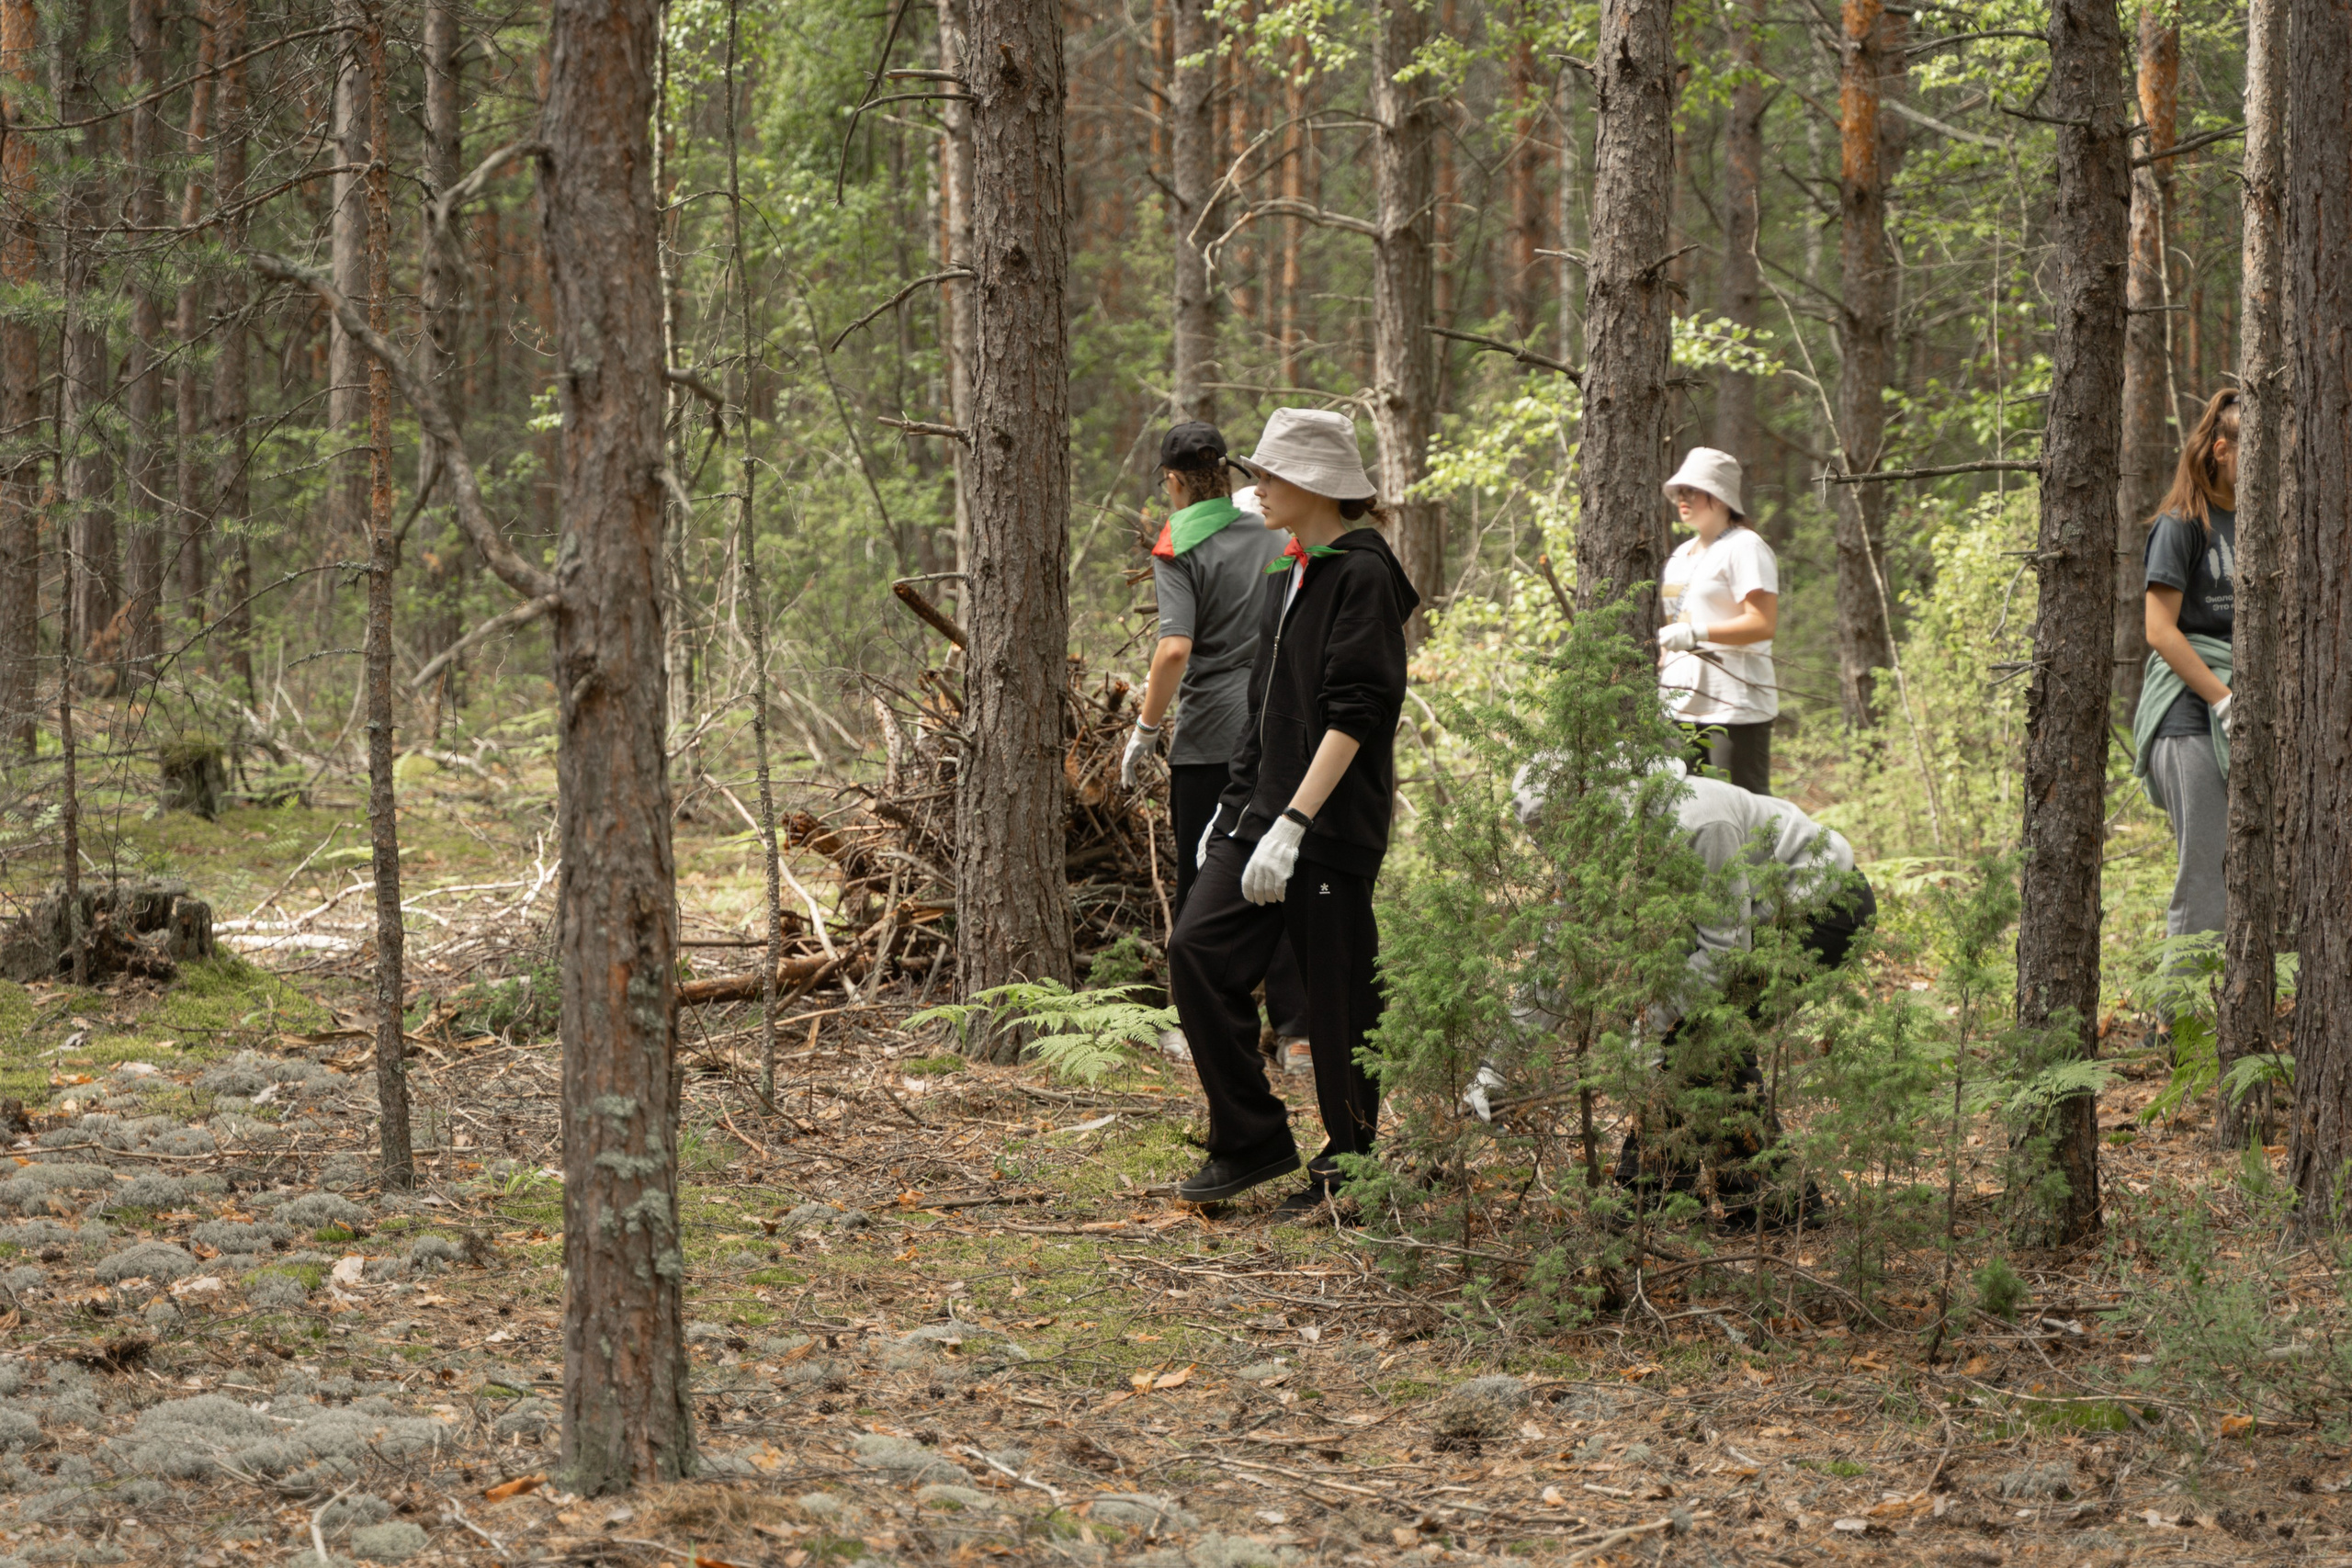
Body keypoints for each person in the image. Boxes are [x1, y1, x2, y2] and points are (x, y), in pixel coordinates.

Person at [1165, 408, 1419, 1218]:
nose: (1255, 488)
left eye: (1268, 476)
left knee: (1337, 997)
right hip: (1258, 817)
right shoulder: (1288, 566)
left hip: (1327, 828)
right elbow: (1262, 706)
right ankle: (1250, 1138)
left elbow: (1356, 713)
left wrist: (1299, 822)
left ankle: (1351, 1168)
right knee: (1196, 950)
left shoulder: (1363, 574)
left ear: (1312, 484)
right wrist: (1234, 812)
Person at [1476, 758, 1874, 1229]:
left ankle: (1744, 1204)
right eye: (1539, 831)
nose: (1552, 842)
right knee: (1692, 1037)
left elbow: (1725, 947)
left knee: (1700, 1036)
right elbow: (1560, 961)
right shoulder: (1592, 846)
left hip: (1823, 906)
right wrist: (1493, 1067)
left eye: (1556, 826)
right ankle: (1689, 1198)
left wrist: (1649, 1030)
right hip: (1750, 924)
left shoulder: (1698, 821)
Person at [1121, 422, 1314, 1074]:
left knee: (1205, 879)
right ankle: (1297, 1033)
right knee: (1281, 867)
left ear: (1174, 481)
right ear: (1227, 473)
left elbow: (1174, 648)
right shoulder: (1273, 527)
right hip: (1281, 723)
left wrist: (1145, 730)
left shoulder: (1178, 543)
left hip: (1209, 737)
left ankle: (1211, 1027)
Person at [2130, 389, 2239, 956]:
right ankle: (2178, 1030)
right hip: (2189, 718)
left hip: (2232, 712)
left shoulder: (2252, 521)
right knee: (2204, 881)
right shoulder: (2180, 525)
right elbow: (2160, 630)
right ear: (2221, 449)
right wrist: (2224, 701)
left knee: (2236, 876)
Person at [1656, 449, 1780, 795]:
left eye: (1693, 490)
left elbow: (1762, 623)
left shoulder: (1745, 547)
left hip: (1735, 709)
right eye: (1680, 491)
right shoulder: (1680, 555)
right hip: (1679, 707)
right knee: (1678, 815)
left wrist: (1698, 634)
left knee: (1745, 818)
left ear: (1721, 494)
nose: (1683, 498)